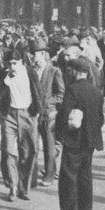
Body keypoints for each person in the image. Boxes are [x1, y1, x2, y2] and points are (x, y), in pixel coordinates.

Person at [54, 57, 104, 210]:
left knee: (69, 177)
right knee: (85, 177)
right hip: (90, 142)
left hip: (74, 140)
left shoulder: (72, 90)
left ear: (74, 71)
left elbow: (64, 115)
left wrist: (59, 134)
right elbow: (101, 119)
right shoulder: (96, 91)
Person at [0, 51, 41, 202]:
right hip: (9, 115)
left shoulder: (30, 72)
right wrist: (7, 78)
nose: (12, 66)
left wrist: (37, 113)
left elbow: (37, 92)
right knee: (8, 151)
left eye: (15, 63)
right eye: (9, 63)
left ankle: (23, 187)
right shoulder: (3, 73)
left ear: (21, 61)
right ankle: (12, 186)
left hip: (27, 114)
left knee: (28, 152)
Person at [31, 39, 64, 187]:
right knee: (32, 145)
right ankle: (31, 175)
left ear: (43, 54)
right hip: (33, 114)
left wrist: (48, 103)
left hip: (49, 114)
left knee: (49, 146)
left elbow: (61, 94)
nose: (33, 57)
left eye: (35, 54)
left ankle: (49, 175)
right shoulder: (31, 70)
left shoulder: (54, 71)